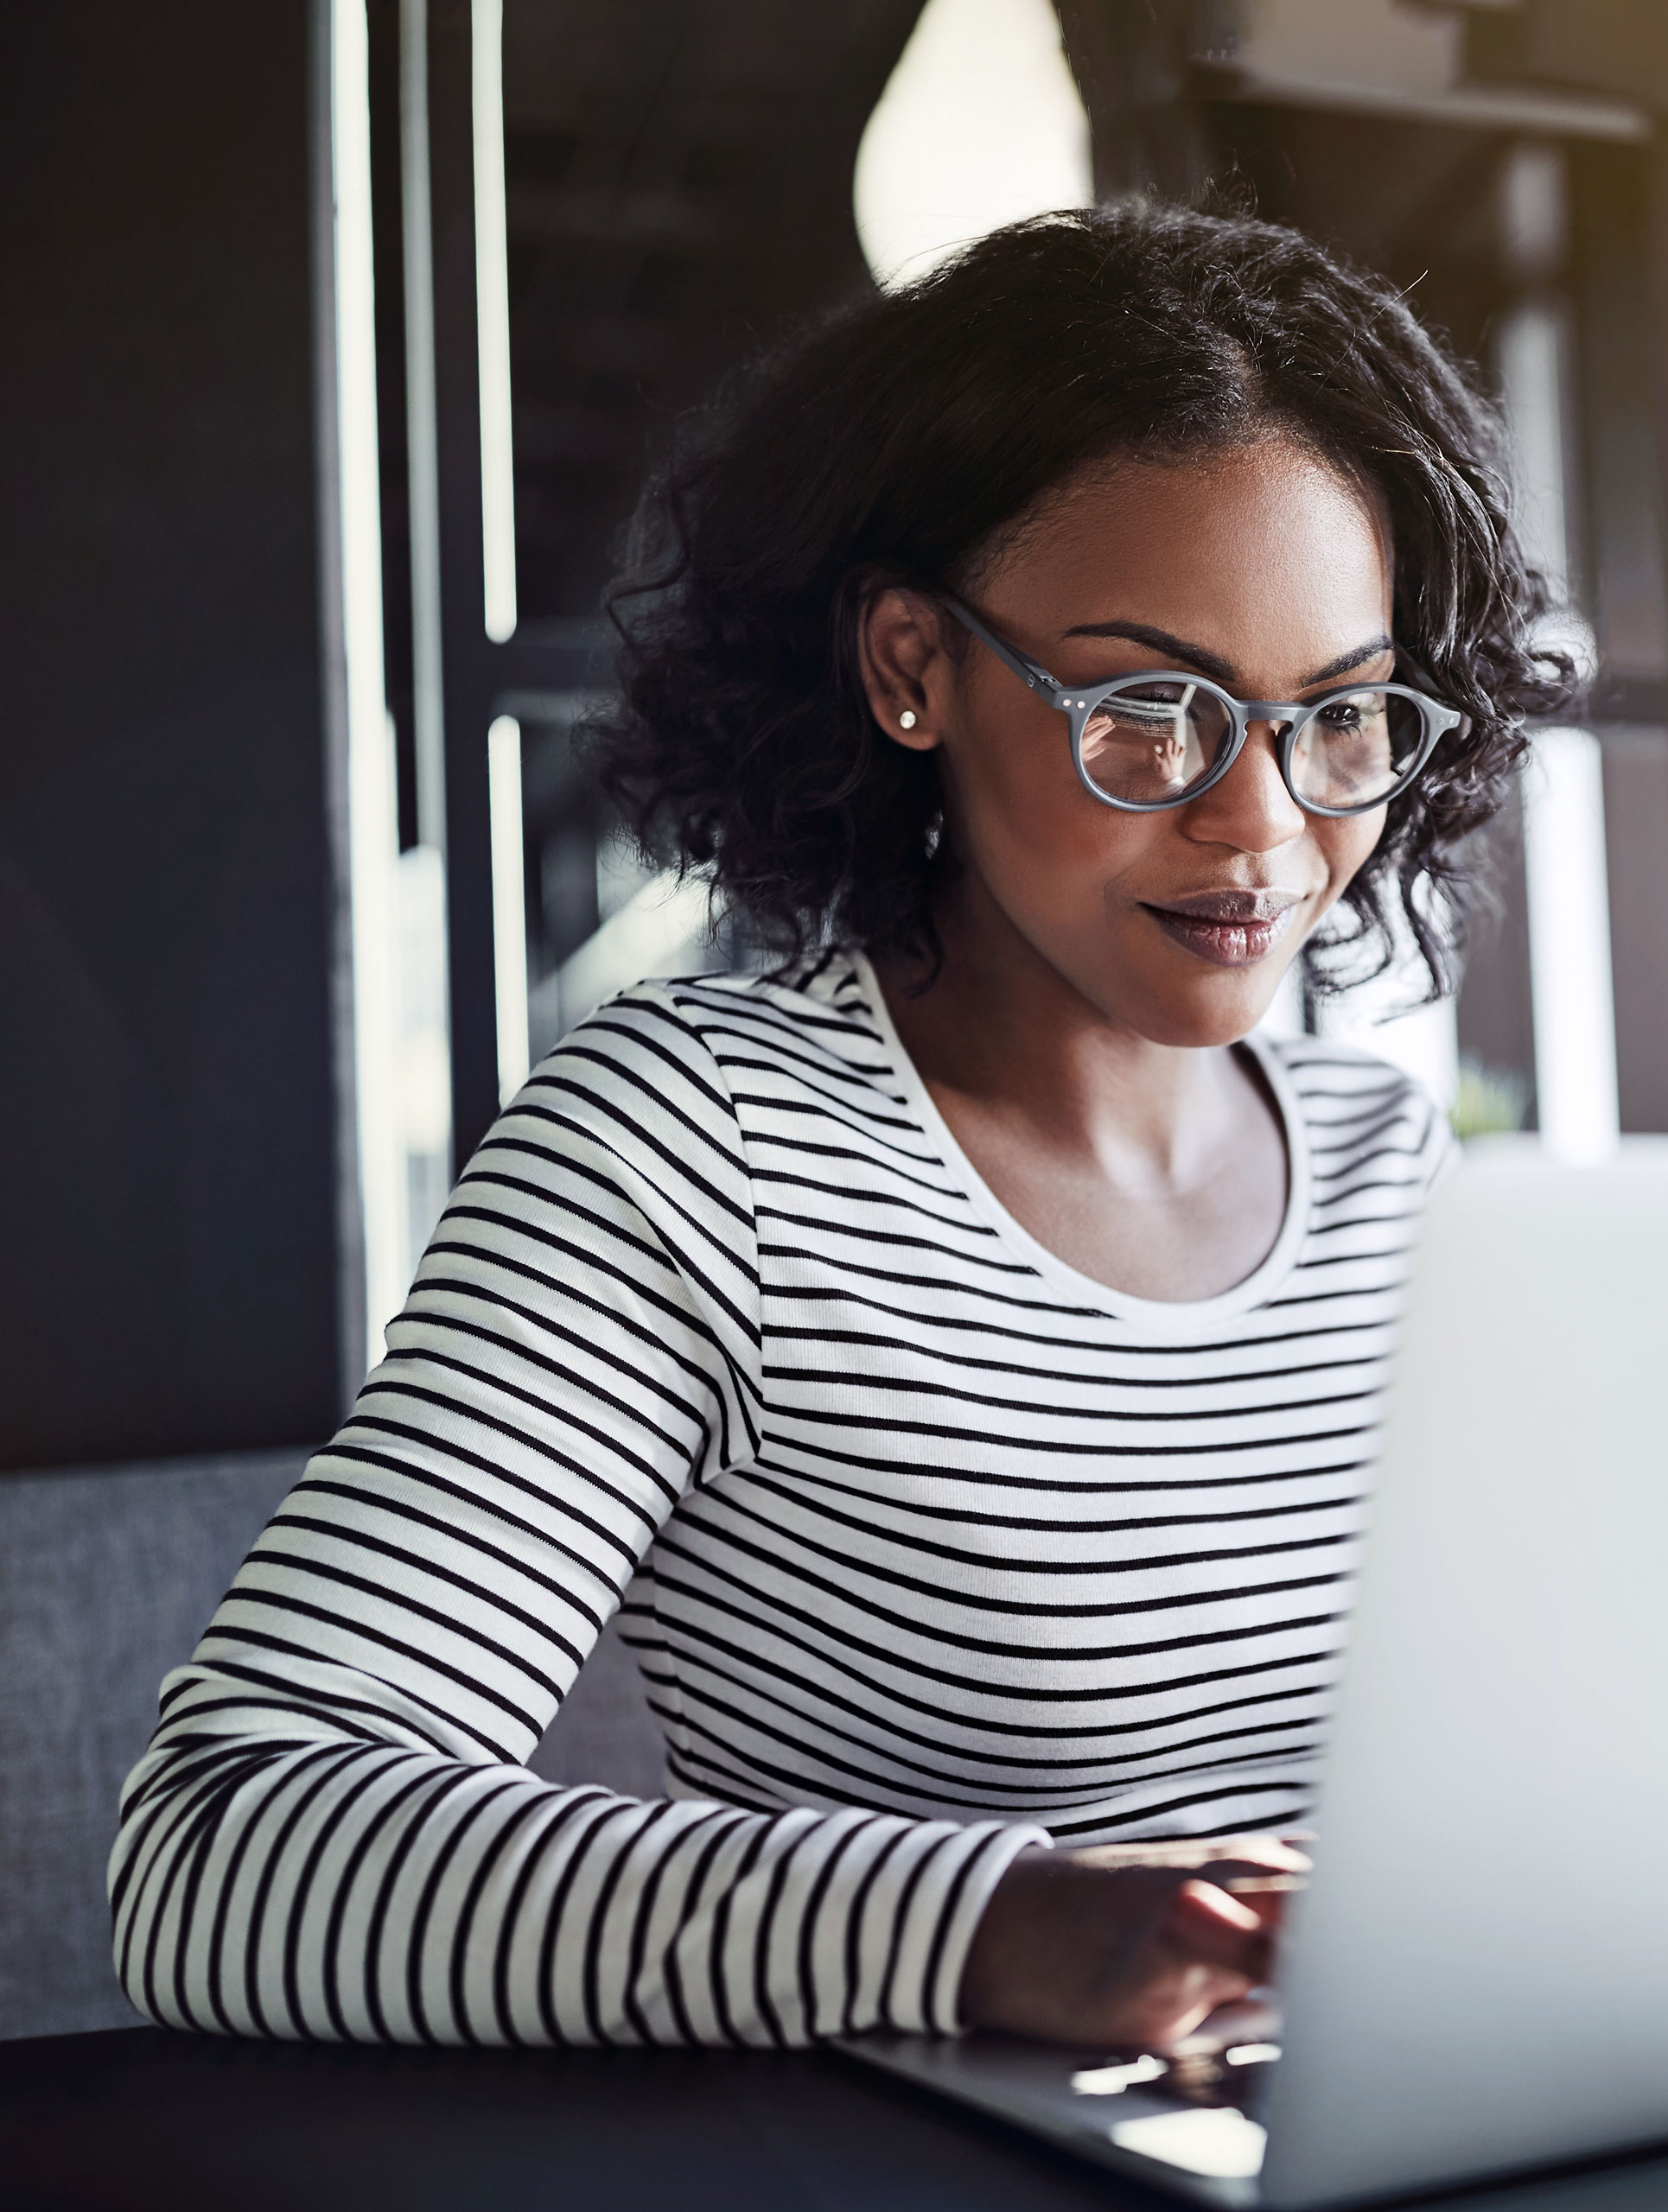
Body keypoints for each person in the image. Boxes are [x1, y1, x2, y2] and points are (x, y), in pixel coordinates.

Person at [111, 204, 1573, 2055]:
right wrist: (994, 1927)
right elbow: (222, 1843)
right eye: (1148, 714)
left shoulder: (1393, 1168)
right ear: (912, 666)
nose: (1263, 826)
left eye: (1338, 717)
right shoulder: (687, 1147)